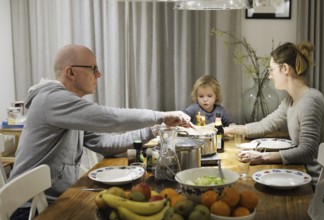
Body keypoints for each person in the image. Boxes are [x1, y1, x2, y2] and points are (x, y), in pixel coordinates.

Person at [8, 44, 191, 200]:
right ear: (71, 72)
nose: (99, 74)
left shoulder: (68, 107)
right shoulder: (52, 100)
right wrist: (161, 115)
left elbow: (104, 143)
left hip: (55, 197)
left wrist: (154, 130)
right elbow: (113, 119)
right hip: (31, 206)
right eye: (93, 69)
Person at [224, 41, 324, 185]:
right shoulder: (291, 100)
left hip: (314, 185)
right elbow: (265, 125)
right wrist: (227, 130)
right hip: (300, 173)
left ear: (285, 69)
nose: (269, 76)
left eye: (271, 70)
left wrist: (263, 157)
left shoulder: (310, 102)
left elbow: (307, 151)